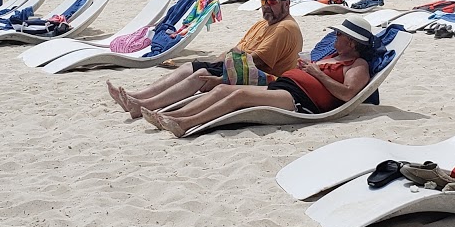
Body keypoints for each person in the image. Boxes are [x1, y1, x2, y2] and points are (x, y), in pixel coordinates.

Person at [140, 14, 378, 138]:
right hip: (285, 85)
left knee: (240, 96)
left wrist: (317, 73)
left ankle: (185, 123)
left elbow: (347, 94)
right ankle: (170, 115)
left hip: (303, 102)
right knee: (222, 90)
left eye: (339, 34)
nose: (335, 37)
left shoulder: (358, 65)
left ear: (351, 41)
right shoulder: (334, 54)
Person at [107, 0, 304, 118]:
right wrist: (216, 62)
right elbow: (237, 48)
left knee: (200, 73)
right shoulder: (264, 24)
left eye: (272, 2)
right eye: (263, 2)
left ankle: (145, 105)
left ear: (287, 4)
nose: (266, 7)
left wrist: (220, 75)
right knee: (191, 67)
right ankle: (138, 97)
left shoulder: (285, 27)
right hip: (240, 65)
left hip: (260, 76)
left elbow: (257, 62)